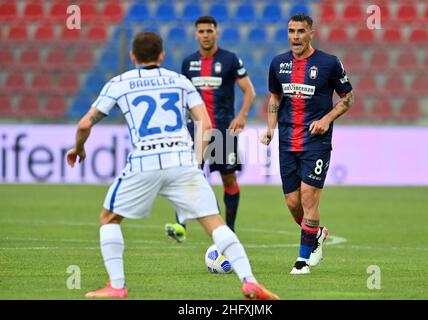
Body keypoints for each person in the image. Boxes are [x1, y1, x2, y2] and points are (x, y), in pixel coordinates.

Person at [66, 32, 278, 300]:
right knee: (215, 223)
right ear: (162, 55)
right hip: (181, 160)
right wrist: (196, 160)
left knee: (109, 218)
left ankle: (116, 286)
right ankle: (249, 281)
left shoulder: (119, 83)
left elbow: (85, 123)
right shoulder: (179, 81)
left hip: (145, 161)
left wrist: (79, 147)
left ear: (133, 57)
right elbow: (206, 124)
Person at [260, 13, 354, 274]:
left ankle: (302, 261)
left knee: (309, 196)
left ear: (311, 33)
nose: (295, 37)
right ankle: (317, 233)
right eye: (291, 31)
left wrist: (326, 119)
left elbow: (348, 98)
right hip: (287, 141)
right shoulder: (278, 63)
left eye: (301, 31)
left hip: (316, 141)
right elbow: (275, 97)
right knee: (293, 203)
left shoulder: (329, 63)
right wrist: (270, 128)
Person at [165, 16, 256, 241]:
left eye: (209, 31)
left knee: (229, 179)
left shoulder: (230, 59)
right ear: (196, 35)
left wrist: (242, 115)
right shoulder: (188, 63)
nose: (205, 35)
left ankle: (230, 230)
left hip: (223, 131)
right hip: (194, 130)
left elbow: (249, 91)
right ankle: (180, 225)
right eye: (201, 31)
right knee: (188, 176)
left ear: (216, 33)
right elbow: (182, 95)